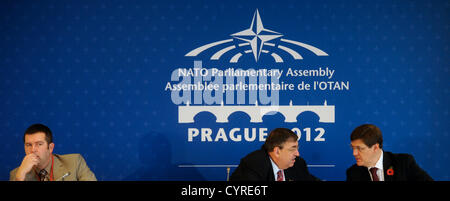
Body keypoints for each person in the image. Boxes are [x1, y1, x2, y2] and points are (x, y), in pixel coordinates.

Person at [10, 123, 97, 181]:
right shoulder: (17, 174)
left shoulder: (75, 162)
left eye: (39, 144)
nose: (33, 150)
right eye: (28, 145)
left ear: (50, 148)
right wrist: (20, 176)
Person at [346, 124, 433, 181]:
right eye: (353, 148)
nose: (354, 153)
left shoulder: (403, 163)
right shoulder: (353, 173)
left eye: (360, 148)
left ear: (375, 147)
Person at [230, 128, 319, 181]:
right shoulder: (253, 165)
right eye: (292, 149)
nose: (297, 154)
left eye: (297, 148)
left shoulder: (298, 164)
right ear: (277, 151)